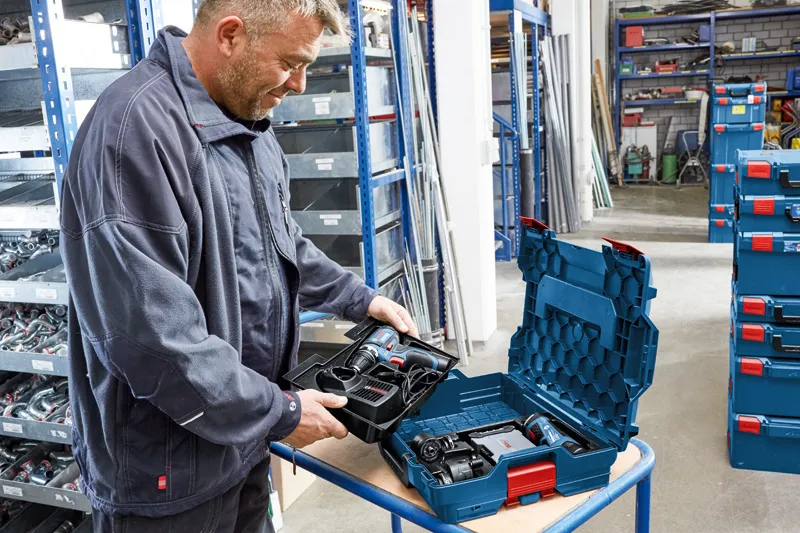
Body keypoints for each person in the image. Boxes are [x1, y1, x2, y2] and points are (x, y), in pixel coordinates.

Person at [60, 1, 418, 531]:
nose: (298, 84)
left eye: (308, 66)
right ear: (230, 35)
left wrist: (358, 297)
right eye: (289, 63)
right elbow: (154, 340)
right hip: (167, 470)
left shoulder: (248, 119)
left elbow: (280, 240)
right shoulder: (133, 133)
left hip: (240, 438)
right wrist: (280, 413)